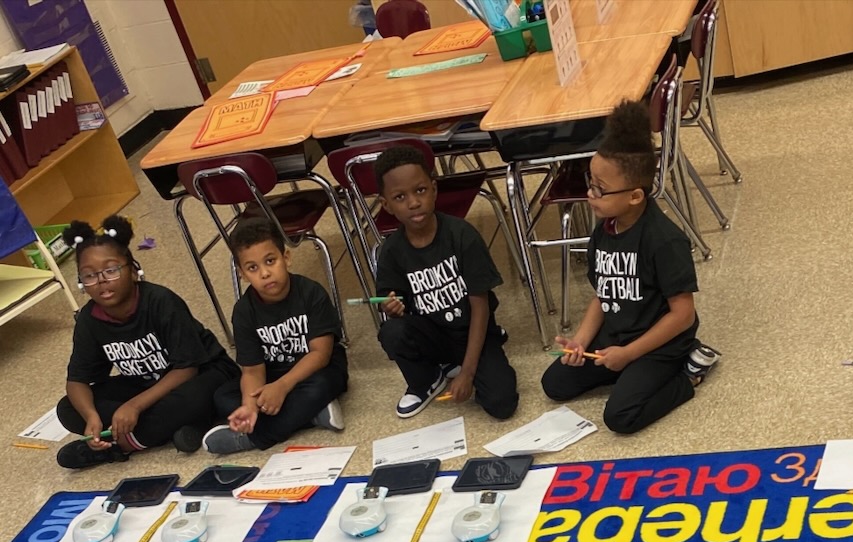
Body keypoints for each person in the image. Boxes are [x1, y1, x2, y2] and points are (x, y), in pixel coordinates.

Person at [541, 99, 721, 434]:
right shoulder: (606, 227)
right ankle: (628, 370)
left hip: (661, 344)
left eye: (600, 189)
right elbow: (602, 295)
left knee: (620, 417)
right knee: (554, 384)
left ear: (635, 196)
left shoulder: (664, 240)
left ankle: (689, 375)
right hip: (620, 332)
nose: (590, 193)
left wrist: (629, 354)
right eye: (589, 181)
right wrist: (580, 341)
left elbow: (682, 315)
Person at [54, 216, 239, 469]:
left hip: (203, 373)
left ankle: (118, 447)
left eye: (111, 270)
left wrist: (134, 406)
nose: (101, 281)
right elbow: (77, 381)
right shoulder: (89, 319)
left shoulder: (161, 302)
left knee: (190, 400)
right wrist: (91, 417)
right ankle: (180, 429)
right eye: (89, 276)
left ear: (132, 270)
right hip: (146, 383)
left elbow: (187, 368)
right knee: (67, 409)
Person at [373, 144, 518, 420]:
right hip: (432, 334)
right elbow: (391, 298)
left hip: (473, 332)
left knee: (502, 404)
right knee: (391, 332)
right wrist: (391, 305)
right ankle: (426, 380)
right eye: (400, 196)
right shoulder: (391, 250)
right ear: (386, 205)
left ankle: (461, 363)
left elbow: (480, 305)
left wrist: (468, 372)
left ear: (434, 189)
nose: (413, 202)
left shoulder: (462, 235)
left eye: (420, 190)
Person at [202, 218, 348, 454]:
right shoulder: (243, 311)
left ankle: (254, 438)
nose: (265, 273)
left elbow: (321, 354)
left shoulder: (311, 293)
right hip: (272, 375)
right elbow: (252, 371)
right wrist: (250, 406)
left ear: (286, 258)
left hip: (314, 371)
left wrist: (282, 387)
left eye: (270, 261)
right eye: (253, 268)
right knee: (223, 396)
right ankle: (311, 414)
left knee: (322, 385)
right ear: (242, 274)